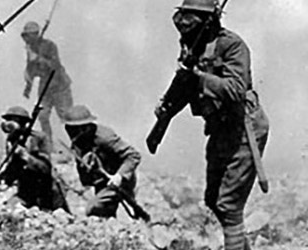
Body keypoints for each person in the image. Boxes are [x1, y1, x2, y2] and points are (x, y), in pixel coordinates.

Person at [154, 0, 269, 249]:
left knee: (228, 204)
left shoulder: (232, 45)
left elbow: (236, 90)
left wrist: (198, 77)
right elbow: (184, 88)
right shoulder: (191, 45)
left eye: (192, 20)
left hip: (244, 128)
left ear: (209, 21)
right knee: (213, 199)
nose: (185, 27)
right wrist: (166, 111)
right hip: (220, 128)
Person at [63, 105, 140, 218]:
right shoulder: (79, 141)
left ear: (85, 128)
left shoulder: (104, 137)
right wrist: (86, 184)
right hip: (101, 181)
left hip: (118, 180)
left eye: (73, 128)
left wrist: (119, 176)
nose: (69, 132)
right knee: (104, 214)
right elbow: (82, 163)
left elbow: (133, 155)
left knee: (94, 209)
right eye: (68, 128)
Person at [0, 106, 69, 213]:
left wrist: (26, 157)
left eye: (15, 120)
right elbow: (13, 166)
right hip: (25, 190)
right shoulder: (11, 139)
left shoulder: (39, 138)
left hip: (45, 191)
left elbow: (46, 168)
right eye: (9, 120)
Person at [20, 21, 74, 146]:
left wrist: (38, 58)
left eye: (27, 36)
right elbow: (31, 69)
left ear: (35, 34)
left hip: (60, 86)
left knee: (66, 117)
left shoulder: (49, 46)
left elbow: (55, 66)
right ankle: (48, 144)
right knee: (43, 116)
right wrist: (28, 87)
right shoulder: (31, 49)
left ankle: (76, 144)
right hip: (45, 87)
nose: (25, 39)